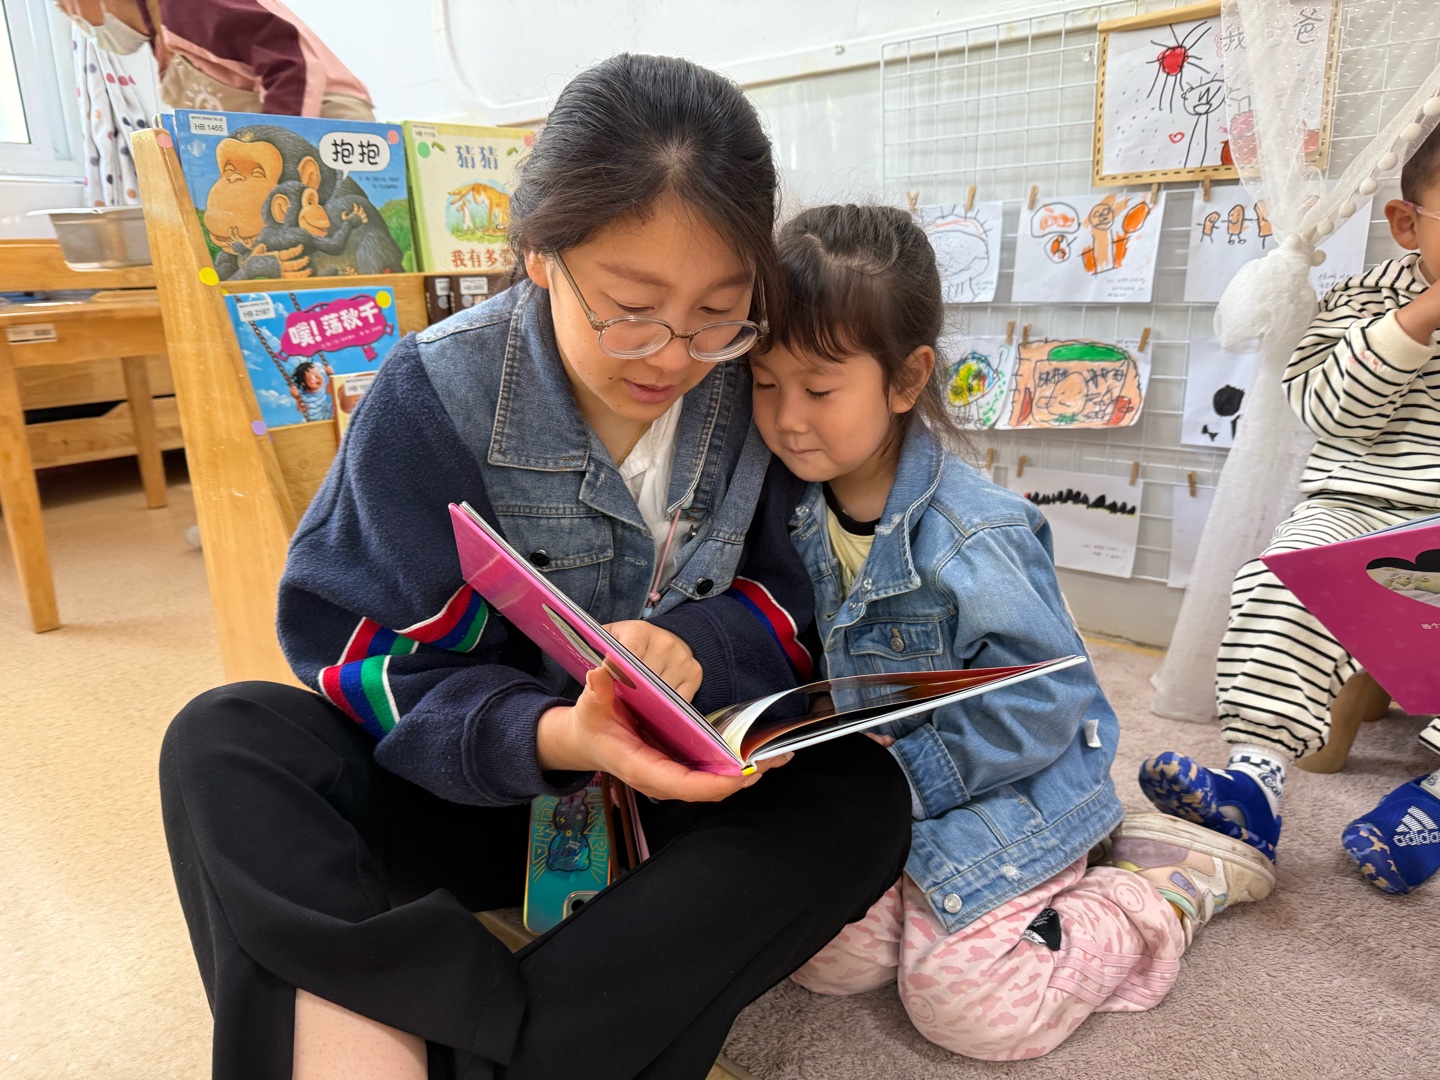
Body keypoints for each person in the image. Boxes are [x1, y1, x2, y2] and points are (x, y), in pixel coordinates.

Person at [158, 56, 910, 1080]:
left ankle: (431, 1039)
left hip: (672, 802)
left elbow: (797, 603)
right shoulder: (435, 394)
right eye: (631, 305)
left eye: (718, 311)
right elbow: (365, 652)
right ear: (540, 253)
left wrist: (695, 651)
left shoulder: (757, 387)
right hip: (483, 795)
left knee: (860, 795)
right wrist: (560, 733)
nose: (673, 354)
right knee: (228, 740)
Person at [748, 204, 1273, 1061]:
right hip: (883, 787)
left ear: (907, 380)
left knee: (970, 1014)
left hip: (1011, 784)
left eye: (818, 388)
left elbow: (1042, 706)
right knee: (824, 962)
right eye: (764, 383)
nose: (786, 418)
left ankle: (1161, 890)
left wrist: (894, 780)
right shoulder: (791, 502)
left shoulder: (976, 535)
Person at [1139, 126, 1440, 896]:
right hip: (1360, 510)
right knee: (1281, 579)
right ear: (1408, 225)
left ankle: (1430, 809)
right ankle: (1256, 780)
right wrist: (1421, 316)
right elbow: (1331, 413)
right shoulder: (1364, 301)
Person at [58, 0, 375, 119]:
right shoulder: (163, 41)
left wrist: (277, 149)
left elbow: (292, 64)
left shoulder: (189, 7)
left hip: (326, 121)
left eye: (72, 9)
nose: (78, 23)